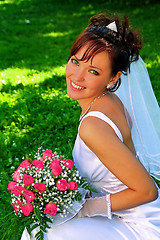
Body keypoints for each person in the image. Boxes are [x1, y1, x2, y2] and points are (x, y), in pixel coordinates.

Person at [21, 13, 160, 240]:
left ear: (113, 79)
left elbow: (147, 191)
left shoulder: (92, 127)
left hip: (140, 225)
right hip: (136, 213)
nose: (77, 75)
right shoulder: (109, 100)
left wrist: (83, 210)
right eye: (76, 61)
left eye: (93, 71)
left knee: (44, 232)